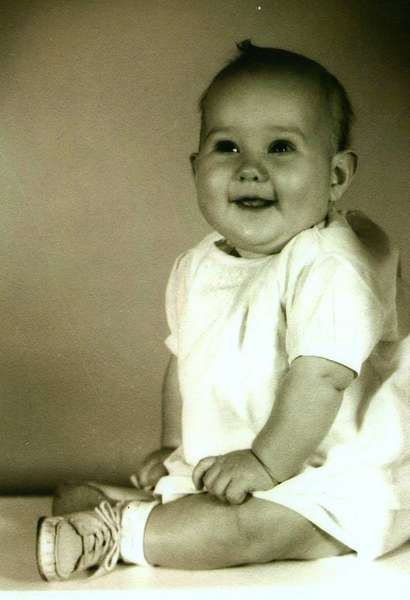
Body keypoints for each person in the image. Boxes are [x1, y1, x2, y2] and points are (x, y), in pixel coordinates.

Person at [36, 40, 410, 582]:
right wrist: (174, 449)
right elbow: (183, 362)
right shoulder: (197, 265)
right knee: (205, 506)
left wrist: (263, 464)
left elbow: (322, 376)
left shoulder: (334, 261)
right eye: (227, 147)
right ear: (196, 168)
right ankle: (126, 513)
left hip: (338, 479)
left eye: (280, 147)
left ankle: (124, 532)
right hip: (242, 467)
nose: (251, 169)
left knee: (250, 530)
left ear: (336, 176)